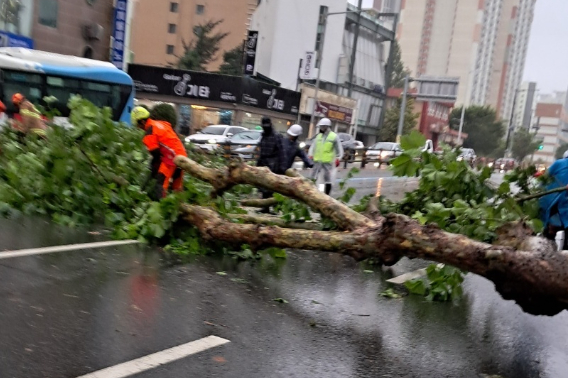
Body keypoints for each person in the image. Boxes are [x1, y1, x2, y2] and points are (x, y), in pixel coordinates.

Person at [131, 106, 188, 200]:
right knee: (177, 185)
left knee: (160, 184)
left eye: (138, 125)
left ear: (142, 121)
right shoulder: (160, 123)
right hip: (182, 154)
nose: (138, 128)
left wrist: (154, 168)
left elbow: (155, 154)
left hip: (171, 158)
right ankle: (180, 205)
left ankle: (161, 206)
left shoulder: (149, 133)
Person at [256, 116, 288, 213]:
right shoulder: (263, 136)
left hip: (274, 163)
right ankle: (265, 207)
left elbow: (282, 151)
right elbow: (261, 151)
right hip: (264, 162)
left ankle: (275, 208)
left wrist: (282, 166)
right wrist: (258, 163)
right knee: (263, 186)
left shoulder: (277, 136)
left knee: (272, 187)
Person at [539, 150, 568, 246]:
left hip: (554, 202)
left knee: (550, 231)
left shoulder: (558, 163)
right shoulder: (560, 164)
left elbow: (544, 179)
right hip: (556, 202)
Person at [308, 118, 343, 195]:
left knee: (327, 180)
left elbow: (339, 150)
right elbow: (313, 147)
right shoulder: (318, 136)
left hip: (327, 163)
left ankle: (326, 195)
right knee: (313, 178)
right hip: (317, 162)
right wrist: (310, 155)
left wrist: (338, 158)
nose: (320, 128)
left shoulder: (334, 137)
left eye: (321, 127)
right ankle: (314, 193)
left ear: (326, 127)